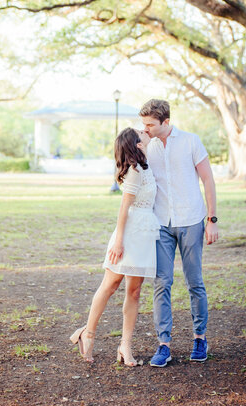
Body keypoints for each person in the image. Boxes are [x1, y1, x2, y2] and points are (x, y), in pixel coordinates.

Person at [70, 127, 160, 366]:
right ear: (136, 144)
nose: (145, 131)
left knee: (134, 292)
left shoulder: (146, 166)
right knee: (110, 284)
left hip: (145, 234)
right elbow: (123, 208)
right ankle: (87, 334)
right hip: (128, 234)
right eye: (141, 132)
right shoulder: (134, 172)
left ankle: (125, 346)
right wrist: (119, 240)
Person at [139, 99, 219, 366]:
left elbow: (207, 179)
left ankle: (200, 338)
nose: (146, 128)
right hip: (160, 223)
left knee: (194, 282)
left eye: (150, 124)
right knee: (162, 283)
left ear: (166, 122)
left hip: (191, 220)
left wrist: (212, 219)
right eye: (144, 123)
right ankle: (164, 344)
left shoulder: (190, 141)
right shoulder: (146, 146)